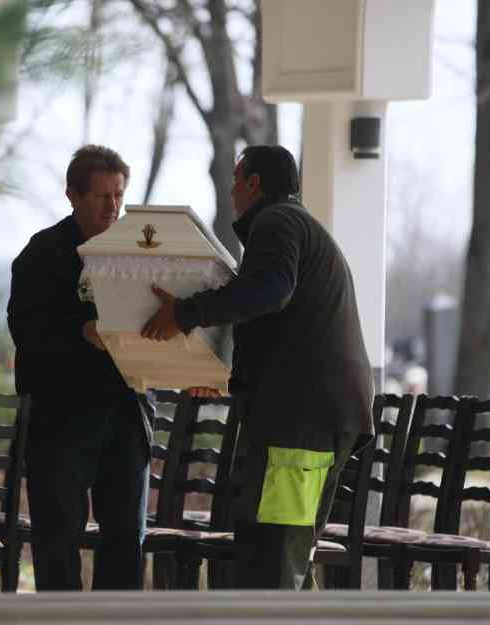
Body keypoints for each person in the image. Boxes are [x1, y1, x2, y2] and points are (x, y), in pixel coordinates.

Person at [141, 144, 375, 590]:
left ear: (254, 184)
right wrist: (221, 375)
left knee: (273, 558)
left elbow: (270, 291)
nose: (231, 192)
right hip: (310, 414)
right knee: (283, 555)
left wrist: (185, 315)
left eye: (235, 180)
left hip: (301, 421)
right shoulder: (296, 225)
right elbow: (276, 321)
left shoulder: (278, 221)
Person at [8, 145, 152, 591]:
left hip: (125, 413)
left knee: (127, 538)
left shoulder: (136, 253)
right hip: (60, 418)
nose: (113, 208)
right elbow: (27, 332)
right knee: (57, 539)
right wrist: (81, 333)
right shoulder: (41, 254)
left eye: (119, 196)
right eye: (101, 197)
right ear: (72, 195)